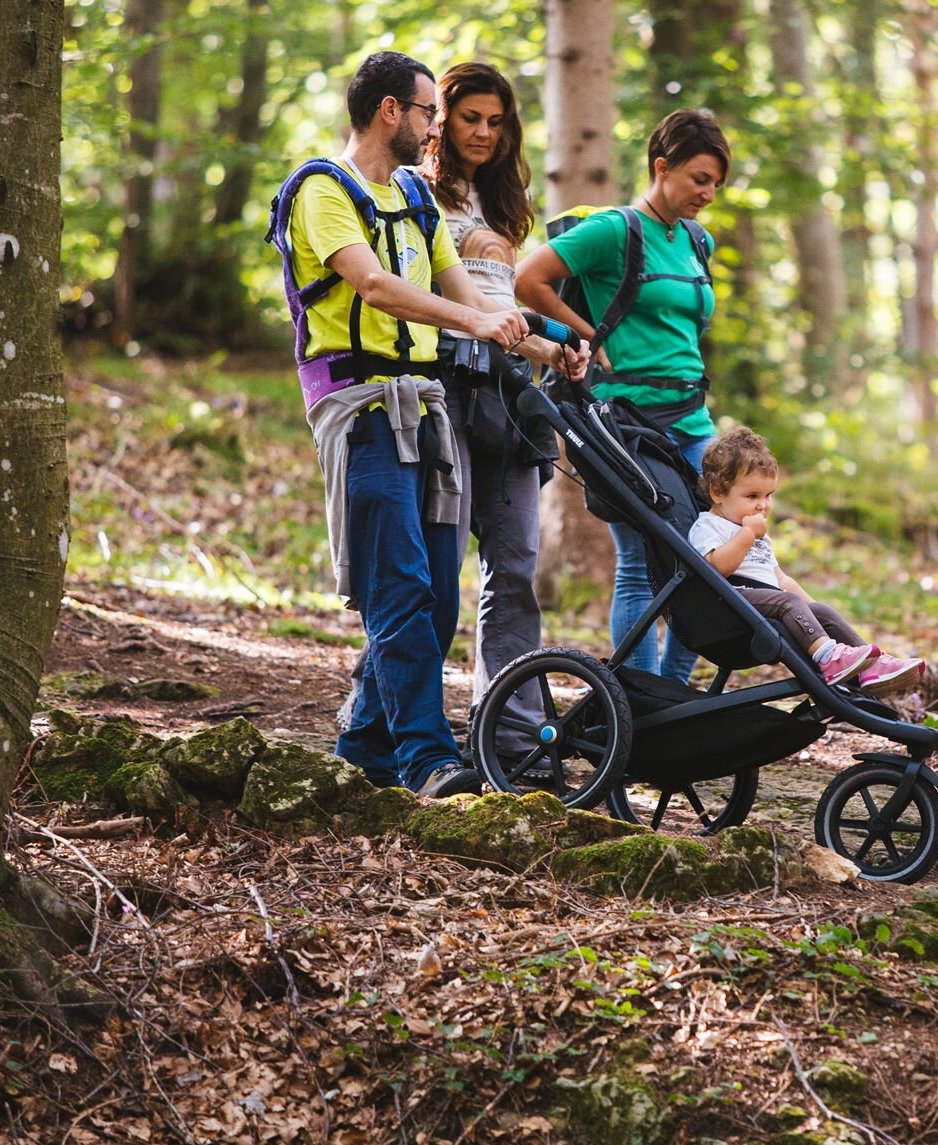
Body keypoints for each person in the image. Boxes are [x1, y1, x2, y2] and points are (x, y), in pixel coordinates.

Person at [274, 50, 583, 798]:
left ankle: (362, 749)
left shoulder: (414, 199)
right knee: (404, 586)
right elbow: (376, 288)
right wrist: (475, 322)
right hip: (364, 406)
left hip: (430, 411)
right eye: (425, 113)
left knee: (439, 597)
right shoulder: (322, 188)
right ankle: (426, 757)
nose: (432, 126)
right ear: (390, 112)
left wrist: (549, 347)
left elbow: (475, 305)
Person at [514, 108, 727, 682]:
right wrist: (581, 334)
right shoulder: (615, 231)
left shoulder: (696, 241)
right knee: (639, 562)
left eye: (715, 184)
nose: (708, 193)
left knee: (713, 556)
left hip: (692, 419)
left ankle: (672, 697)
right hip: (625, 419)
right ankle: (640, 701)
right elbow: (526, 279)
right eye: (698, 179)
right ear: (662, 167)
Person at [417, 62, 554, 771]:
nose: (484, 133)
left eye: (496, 122)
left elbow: (502, 318)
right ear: (440, 119)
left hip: (508, 398)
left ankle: (512, 739)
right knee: (432, 571)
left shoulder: (502, 203)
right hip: (443, 389)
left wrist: (555, 354)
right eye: (471, 118)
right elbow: (444, 301)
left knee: (517, 566)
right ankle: (391, 718)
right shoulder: (414, 190)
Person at [690, 427, 926, 695]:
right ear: (718, 492)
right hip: (729, 605)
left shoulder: (757, 534)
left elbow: (780, 579)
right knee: (787, 602)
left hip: (765, 601)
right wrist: (746, 535)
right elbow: (717, 568)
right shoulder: (708, 525)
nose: (763, 505)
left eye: (768, 495)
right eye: (752, 496)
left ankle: (874, 666)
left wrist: (811, 609)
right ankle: (828, 658)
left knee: (821, 610)